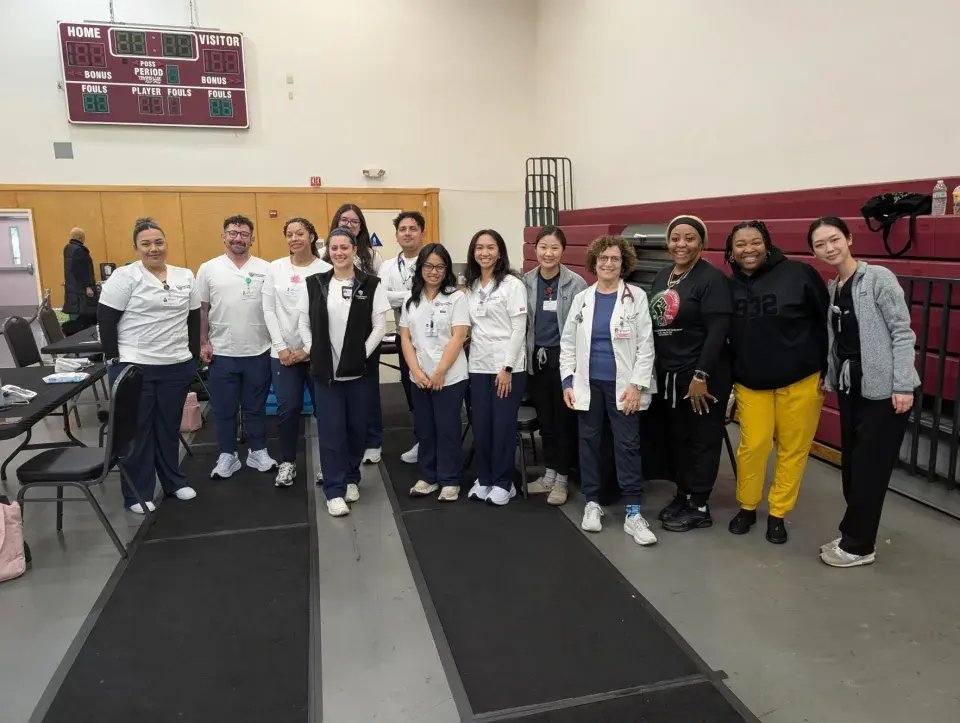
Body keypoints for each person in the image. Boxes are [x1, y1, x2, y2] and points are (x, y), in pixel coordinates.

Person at [808, 217, 919, 568]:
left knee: (870, 471)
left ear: (849, 239)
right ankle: (854, 532)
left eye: (834, 239)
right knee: (853, 468)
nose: (829, 248)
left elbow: (902, 332)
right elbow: (837, 339)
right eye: (820, 244)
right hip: (852, 389)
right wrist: (829, 372)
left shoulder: (878, 278)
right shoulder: (833, 286)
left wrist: (902, 384)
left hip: (885, 393)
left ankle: (859, 546)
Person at [725, 221, 829, 544]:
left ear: (767, 244)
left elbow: (826, 319)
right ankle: (747, 506)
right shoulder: (727, 286)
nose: (748, 249)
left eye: (755, 242)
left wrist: (829, 367)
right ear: (731, 251)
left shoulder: (799, 274)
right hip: (750, 382)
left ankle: (778, 513)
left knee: (792, 449)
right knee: (753, 446)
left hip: (800, 379)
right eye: (740, 244)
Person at [560, 236, 658, 545]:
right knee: (588, 443)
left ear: (623, 262)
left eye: (614, 258)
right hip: (588, 384)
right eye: (603, 258)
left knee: (627, 445)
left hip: (624, 386)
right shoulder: (583, 299)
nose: (608, 263)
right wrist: (567, 381)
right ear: (594, 262)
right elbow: (567, 344)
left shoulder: (636, 297)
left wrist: (636, 384)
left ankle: (633, 513)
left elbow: (646, 345)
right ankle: (592, 503)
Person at [96, 218, 199, 513]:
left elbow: (193, 319)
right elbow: (106, 319)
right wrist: (114, 358)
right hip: (135, 365)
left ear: (166, 244)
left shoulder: (184, 276)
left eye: (159, 242)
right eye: (146, 244)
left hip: (175, 364)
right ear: (136, 248)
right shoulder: (125, 277)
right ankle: (137, 493)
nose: (154, 249)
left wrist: (192, 355)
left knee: (167, 428)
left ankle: (174, 483)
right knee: (138, 432)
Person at [646, 215, 734, 532]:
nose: (681, 244)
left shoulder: (711, 279)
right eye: (675, 238)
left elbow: (718, 331)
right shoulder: (663, 276)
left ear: (702, 242)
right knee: (680, 440)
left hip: (701, 378)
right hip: (670, 376)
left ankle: (699, 505)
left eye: (689, 238)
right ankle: (683, 492)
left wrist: (701, 375)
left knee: (703, 440)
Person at [299, 227, 391, 516]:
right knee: (330, 432)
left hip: (358, 373)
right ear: (329, 252)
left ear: (354, 250)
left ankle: (352, 479)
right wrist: (314, 349)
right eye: (334, 248)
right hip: (325, 373)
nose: (339, 253)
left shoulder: (371, 284)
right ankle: (334, 489)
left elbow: (379, 326)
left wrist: (361, 353)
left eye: (345, 247)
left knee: (355, 429)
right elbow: (303, 323)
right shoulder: (314, 283)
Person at [197, 215, 278, 479]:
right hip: (221, 351)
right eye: (233, 233)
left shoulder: (266, 268)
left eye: (244, 234)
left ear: (252, 239)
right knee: (224, 408)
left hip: (259, 350)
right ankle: (227, 455)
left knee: (256, 407)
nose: (238, 238)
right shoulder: (208, 269)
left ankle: (258, 451)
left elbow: (274, 309)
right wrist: (203, 342)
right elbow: (202, 309)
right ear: (223, 237)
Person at [262, 217, 330, 488]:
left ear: (311, 236)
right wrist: (281, 348)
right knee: (287, 409)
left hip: (316, 354)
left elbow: (329, 316)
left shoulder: (325, 269)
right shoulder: (275, 268)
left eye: (299, 233)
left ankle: (329, 464)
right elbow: (268, 310)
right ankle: (287, 462)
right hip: (283, 355)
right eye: (289, 234)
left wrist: (308, 350)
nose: (294, 239)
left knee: (325, 411)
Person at [400, 243, 470, 501]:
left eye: (440, 266)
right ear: (420, 268)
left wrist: (440, 372)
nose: (434, 271)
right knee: (425, 429)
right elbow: (406, 339)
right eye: (428, 265)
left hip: (450, 377)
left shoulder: (456, 297)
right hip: (419, 377)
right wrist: (417, 372)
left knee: (448, 428)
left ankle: (450, 479)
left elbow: (459, 336)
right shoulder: (412, 300)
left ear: (447, 269)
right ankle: (427, 477)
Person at [524, 226, 587, 505]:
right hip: (535, 360)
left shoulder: (576, 284)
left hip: (564, 360)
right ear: (535, 249)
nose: (548, 253)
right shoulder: (525, 282)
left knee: (564, 421)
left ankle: (562, 478)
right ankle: (549, 473)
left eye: (555, 248)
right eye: (543, 247)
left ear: (563, 251)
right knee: (546, 421)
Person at [319, 204, 386, 465]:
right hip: (332, 333)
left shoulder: (372, 256)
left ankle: (372, 440)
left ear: (361, 227)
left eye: (354, 222)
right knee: (336, 395)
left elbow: (379, 290)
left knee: (368, 390)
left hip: (366, 333)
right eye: (344, 220)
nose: (349, 225)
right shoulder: (324, 252)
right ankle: (343, 445)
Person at [464, 229, 527, 506]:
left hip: (507, 367)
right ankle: (485, 478)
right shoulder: (473, 285)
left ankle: (504, 482)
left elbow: (519, 329)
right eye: (479, 247)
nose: (484, 252)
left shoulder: (513, 285)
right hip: (478, 365)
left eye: (490, 247)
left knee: (502, 426)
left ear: (499, 251)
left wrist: (507, 367)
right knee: (482, 424)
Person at [380, 211, 426, 464]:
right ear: (397, 235)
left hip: (435, 339)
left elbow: (436, 293)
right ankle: (422, 441)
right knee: (412, 390)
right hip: (405, 338)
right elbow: (382, 298)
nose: (407, 233)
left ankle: (440, 441)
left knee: (439, 391)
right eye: (403, 229)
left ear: (422, 232)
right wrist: (411, 294)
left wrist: (399, 295)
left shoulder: (432, 259)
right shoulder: (387, 266)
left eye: (413, 228)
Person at [62, 227, 97, 327]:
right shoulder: (79, 251)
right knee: (84, 317)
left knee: (74, 318)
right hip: (80, 292)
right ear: (81, 238)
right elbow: (80, 270)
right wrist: (88, 286)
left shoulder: (68, 248)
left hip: (72, 290)